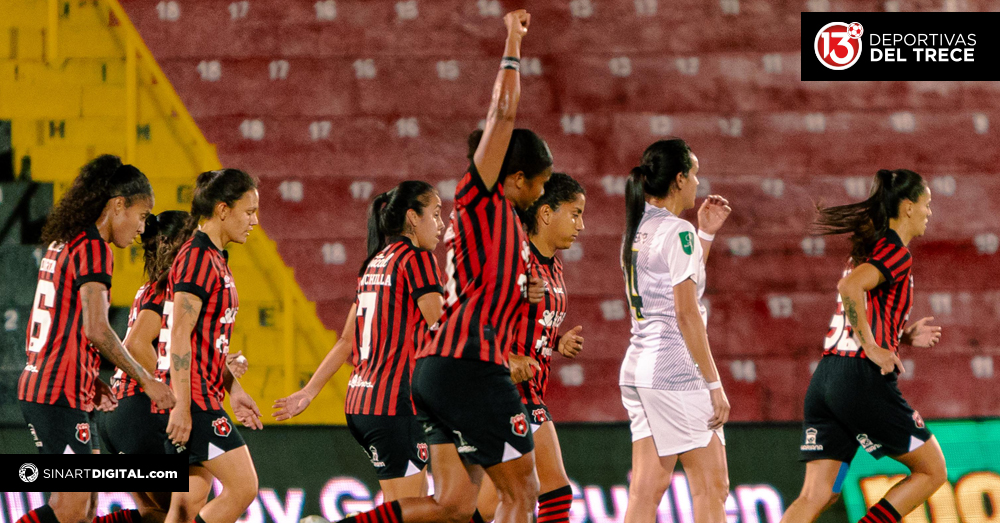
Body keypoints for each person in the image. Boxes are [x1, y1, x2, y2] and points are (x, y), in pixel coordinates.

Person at [338, 9, 552, 523]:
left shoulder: (500, 222)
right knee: (525, 494)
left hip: (436, 372)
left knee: (455, 505)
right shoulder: (480, 196)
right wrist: (513, 44)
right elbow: (502, 115)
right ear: (516, 177)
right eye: (541, 182)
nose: (543, 191)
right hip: (466, 367)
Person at [14, 155, 174, 523]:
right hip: (56, 395)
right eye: (142, 215)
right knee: (71, 509)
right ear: (118, 205)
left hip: (57, 386)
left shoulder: (66, 242)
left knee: (85, 509)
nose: (141, 228)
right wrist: (145, 379)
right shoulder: (94, 249)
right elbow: (97, 329)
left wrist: (89, 375)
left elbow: (62, 324)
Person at [781, 169, 946, 523]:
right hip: (859, 380)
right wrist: (873, 346)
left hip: (827, 379)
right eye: (926, 204)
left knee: (817, 494)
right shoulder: (895, 253)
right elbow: (850, 289)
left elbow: (862, 306)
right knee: (932, 471)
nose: (930, 212)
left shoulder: (870, 249)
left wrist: (900, 337)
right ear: (907, 207)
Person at [272, 180, 445, 501]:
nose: (442, 224)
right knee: (413, 511)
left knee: (413, 509)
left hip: (360, 404)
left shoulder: (374, 264)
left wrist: (310, 391)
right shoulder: (417, 260)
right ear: (412, 217)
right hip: (393, 404)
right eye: (435, 214)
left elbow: (346, 342)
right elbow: (445, 333)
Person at [618, 139, 733, 523]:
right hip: (675, 372)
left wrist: (706, 236)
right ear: (680, 178)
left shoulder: (639, 228)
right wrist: (714, 385)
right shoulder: (675, 231)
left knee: (646, 490)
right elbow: (686, 314)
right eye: (695, 173)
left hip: (640, 369)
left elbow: (676, 283)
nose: (698, 182)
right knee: (711, 487)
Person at [477, 172, 586, 523]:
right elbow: (473, 322)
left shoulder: (551, 264)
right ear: (545, 214)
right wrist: (507, 358)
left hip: (529, 393)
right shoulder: (513, 261)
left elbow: (524, 320)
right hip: (502, 392)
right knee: (547, 494)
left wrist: (556, 341)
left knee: (493, 504)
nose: (581, 225)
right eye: (574, 213)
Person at [163, 168, 264, 523]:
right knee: (244, 487)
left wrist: (234, 389)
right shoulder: (197, 258)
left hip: (205, 393)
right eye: (249, 211)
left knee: (187, 504)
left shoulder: (216, 257)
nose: (254, 220)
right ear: (223, 210)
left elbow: (207, 341)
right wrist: (183, 407)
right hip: (196, 399)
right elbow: (179, 334)